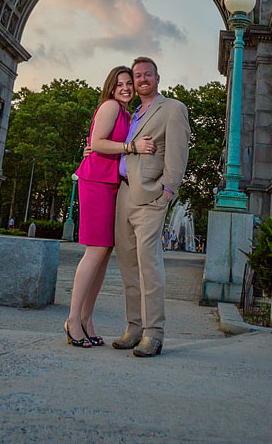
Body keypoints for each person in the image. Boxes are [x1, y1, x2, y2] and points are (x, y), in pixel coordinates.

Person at [64, 65, 156, 348]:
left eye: (130, 83)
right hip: (95, 182)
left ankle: (86, 319)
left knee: (103, 254)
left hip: (110, 183)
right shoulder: (111, 107)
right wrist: (130, 148)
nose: (127, 88)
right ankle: (71, 320)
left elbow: (102, 143)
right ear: (111, 88)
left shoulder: (127, 114)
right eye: (120, 84)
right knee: (94, 252)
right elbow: (97, 142)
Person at [112, 57, 190, 357]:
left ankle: (153, 333)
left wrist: (167, 191)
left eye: (147, 74)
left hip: (151, 197)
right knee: (128, 264)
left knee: (149, 264)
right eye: (137, 75)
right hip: (123, 194)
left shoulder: (172, 108)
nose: (142, 79)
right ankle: (134, 328)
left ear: (158, 77)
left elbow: (178, 154)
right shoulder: (130, 114)